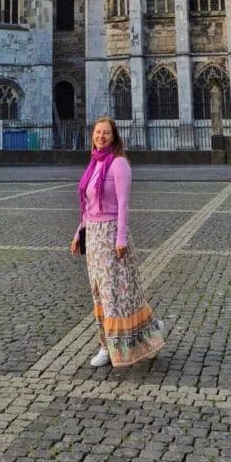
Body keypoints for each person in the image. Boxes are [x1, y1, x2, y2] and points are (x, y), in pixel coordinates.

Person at [70, 116, 164, 367]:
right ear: (93, 135)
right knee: (100, 293)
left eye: (106, 133)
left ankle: (112, 346)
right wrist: (79, 232)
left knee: (118, 294)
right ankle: (129, 337)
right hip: (94, 237)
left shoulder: (119, 164)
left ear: (114, 137)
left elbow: (123, 205)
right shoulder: (93, 164)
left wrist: (120, 238)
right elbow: (89, 206)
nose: (101, 136)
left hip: (112, 235)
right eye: (98, 132)